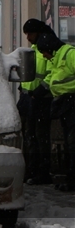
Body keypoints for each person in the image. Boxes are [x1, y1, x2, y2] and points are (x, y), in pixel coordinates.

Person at [38, 30, 75, 190]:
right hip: (65, 103)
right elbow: (54, 78)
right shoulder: (56, 57)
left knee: (73, 143)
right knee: (69, 142)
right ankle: (71, 178)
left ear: (50, 48)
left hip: (72, 101)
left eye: (44, 53)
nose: (44, 56)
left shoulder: (69, 54)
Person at [19, 19, 53, 185]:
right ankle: (32, 170)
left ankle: (42, 171)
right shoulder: (34, 49)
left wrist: (39, 92)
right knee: (30, 136)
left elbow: (51, 73)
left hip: (41, 100)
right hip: (30, 98)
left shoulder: (45, 49)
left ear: (38, 32)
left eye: (30, 34)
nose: (28, 38)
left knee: (40, 137)